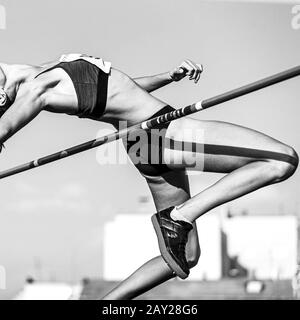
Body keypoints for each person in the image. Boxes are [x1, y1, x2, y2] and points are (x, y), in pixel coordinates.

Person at [0, 54, 298, 300]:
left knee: (186, 254)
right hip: (162, 133)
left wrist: (168, 77)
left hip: (141, 143)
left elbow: (121, 91)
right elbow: (6, 126)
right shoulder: (38, 86)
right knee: (281, 159)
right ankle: (180, 216)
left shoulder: (49, 73)